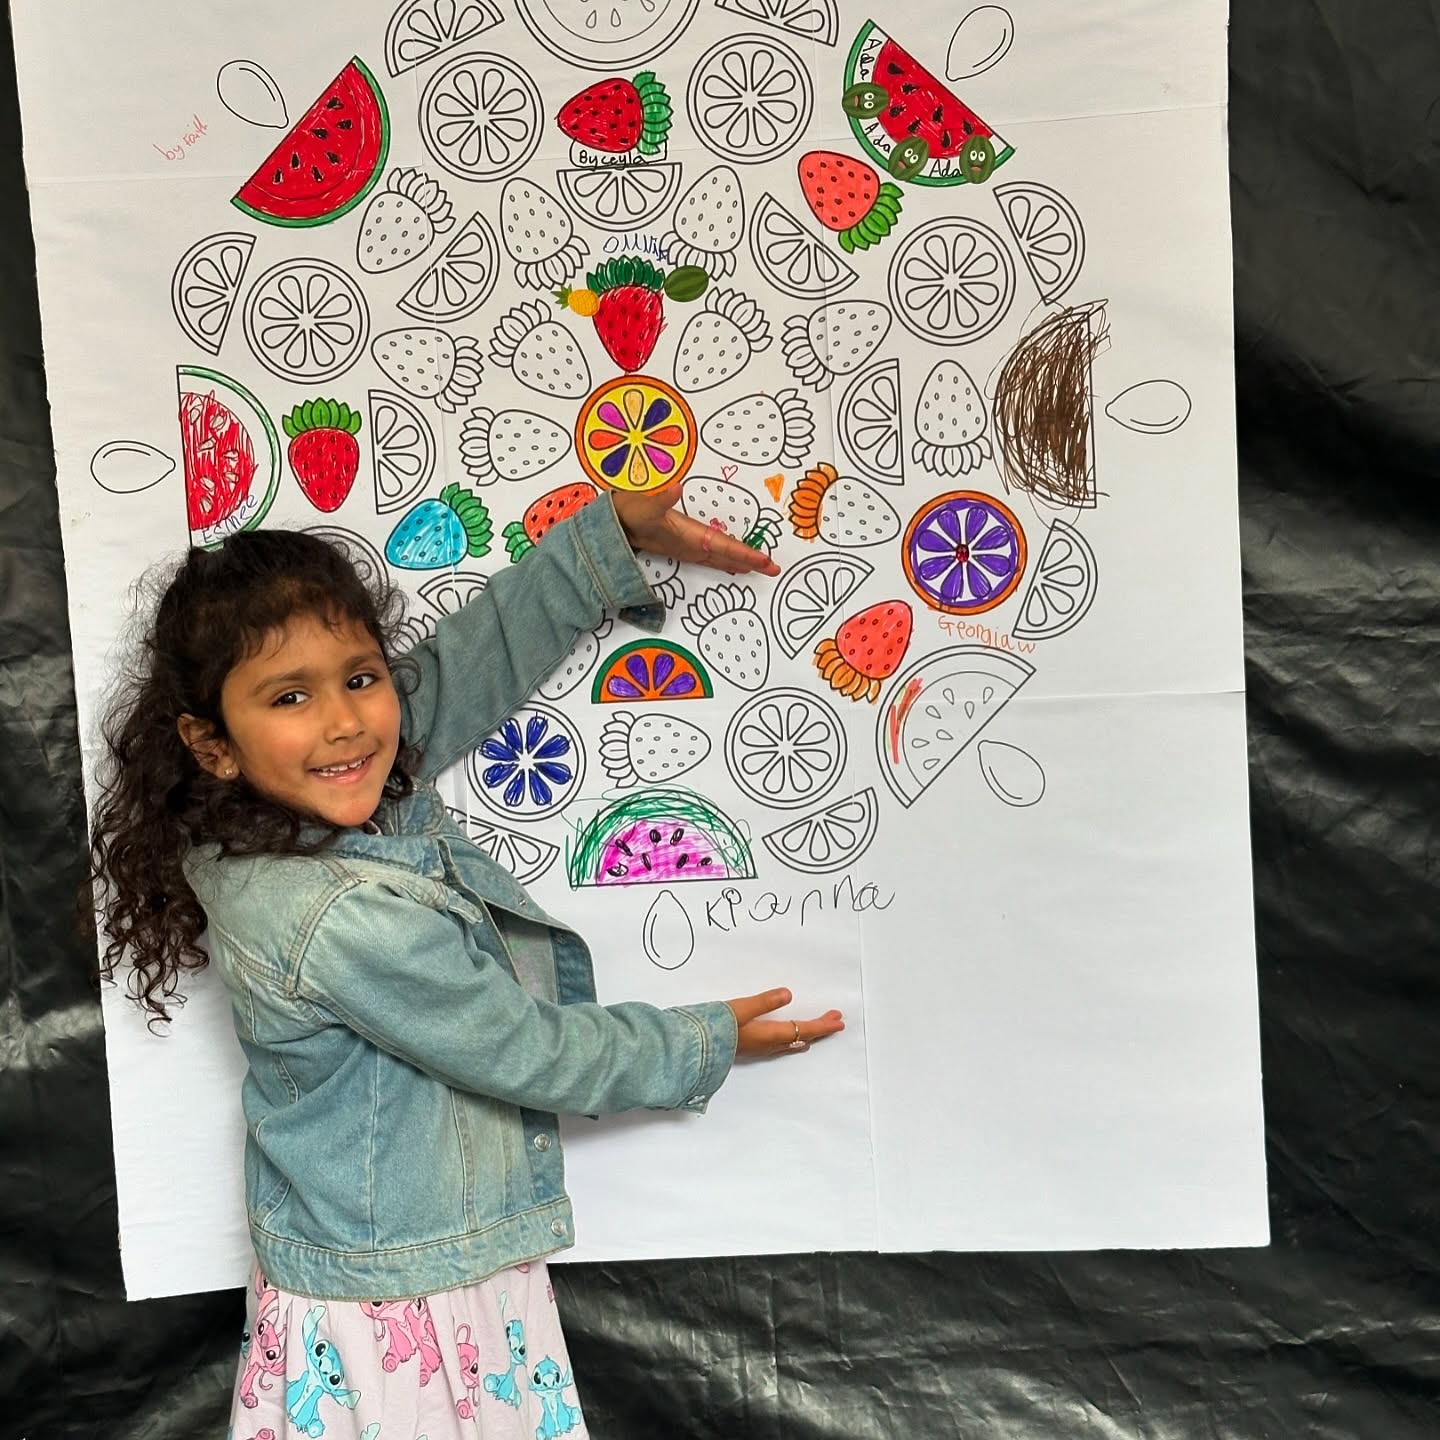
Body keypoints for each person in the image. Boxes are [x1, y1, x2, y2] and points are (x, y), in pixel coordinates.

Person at [86, 482, 844, 1439]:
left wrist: (602, 540)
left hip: (395, 1270)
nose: (346, 723)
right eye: (290, 697)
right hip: (405, 1307)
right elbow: (532, 1052)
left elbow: (450, 676)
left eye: (360, 678)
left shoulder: (275, 823)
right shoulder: (343, 919)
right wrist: (702, 1040)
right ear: (213, 744)